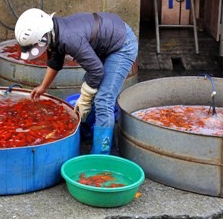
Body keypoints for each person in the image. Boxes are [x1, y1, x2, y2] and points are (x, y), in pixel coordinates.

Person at [14, 9, 138, 155]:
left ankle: (101, 154)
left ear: (42, 37)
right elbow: (55, 61)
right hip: (108, 41)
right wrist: (43, 87)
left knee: (104, 99)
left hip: (122, 45)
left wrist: (85, 98)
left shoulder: (69, 38)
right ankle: (85, 134)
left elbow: (96, 71)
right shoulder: (53, 31)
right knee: (91, 89)